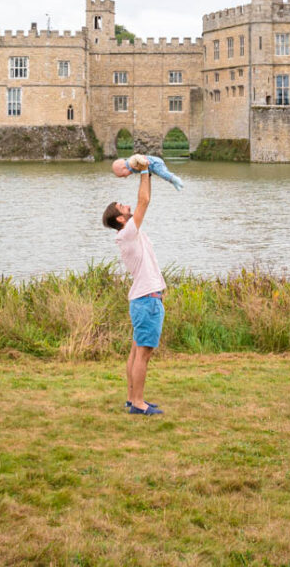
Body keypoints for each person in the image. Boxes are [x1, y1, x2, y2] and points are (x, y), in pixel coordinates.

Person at [103, 169, 165, 416]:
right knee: (143, 354)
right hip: (147, 300)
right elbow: (144, 202)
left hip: (143, 299)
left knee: (136, 352)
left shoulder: (129, 234)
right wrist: (143, 170)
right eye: (121, 206)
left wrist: (148, 174)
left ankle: (132, 399)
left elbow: (144, 199)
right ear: (119, 218)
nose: (127, 205)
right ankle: (138, 404)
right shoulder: (128, 233)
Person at [111, 152, 184, 192]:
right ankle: (175, 183)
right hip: (152, 167)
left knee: (163, 174)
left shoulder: (130, 163)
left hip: (154, 163)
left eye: (124, 175)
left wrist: (144, 162)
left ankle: (176, 179)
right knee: (164, 175)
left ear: (123, 168)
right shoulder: (131, 168)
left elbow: (137, 156)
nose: (126, 177)